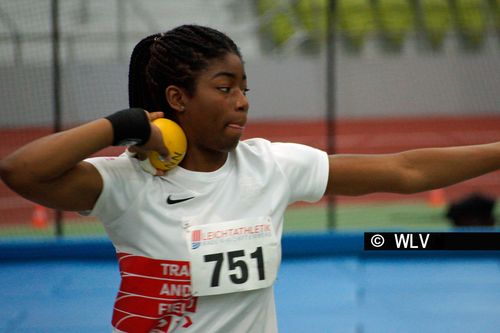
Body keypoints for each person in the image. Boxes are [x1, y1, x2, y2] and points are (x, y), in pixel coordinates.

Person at [1, 24, 500, 333]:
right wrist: (124, 125)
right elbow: (20, 170)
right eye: (225, 87)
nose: (242, 100)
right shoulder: (126, 184)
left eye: (245, 87)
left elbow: (405, 169)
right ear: (178, 100)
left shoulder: (271, 166)